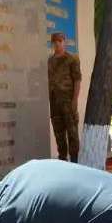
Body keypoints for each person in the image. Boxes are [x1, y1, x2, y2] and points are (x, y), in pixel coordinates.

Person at [48, 32, 82, 162]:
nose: (57, 44)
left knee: (72, 134)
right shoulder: (50, 61)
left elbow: (77, 80)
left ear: (64, 42)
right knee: (59, 135)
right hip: (54, 103)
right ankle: (63, 161)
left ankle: (74, 162)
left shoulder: (72, 59)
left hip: (68, 102)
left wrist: (75, 100)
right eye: (55, 41)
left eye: (60, 41)